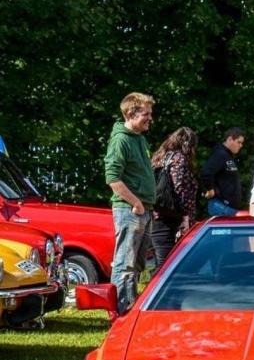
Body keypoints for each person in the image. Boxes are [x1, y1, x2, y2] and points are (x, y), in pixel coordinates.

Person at [104, 92, 157, 314]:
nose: (150, 118)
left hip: (143, 209)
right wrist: (135, 203)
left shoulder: (139, 139)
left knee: (137, 264)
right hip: (129, 209)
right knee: (125, 261)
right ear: (131, 113)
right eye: (146, 114)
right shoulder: (121, 140)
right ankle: (119, 312)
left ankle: (129, 307)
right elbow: (113, 178)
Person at [149, 127, 199, 267]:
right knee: (168, 266)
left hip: (157, 215)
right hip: (173, 220)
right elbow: (180, 189)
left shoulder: (159, 158)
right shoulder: (179, 160)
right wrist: (186, 216)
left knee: (162, 263)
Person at [200, 127, 245, 216]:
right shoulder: (220, 154)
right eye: (238, 142)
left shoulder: (227, 155)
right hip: (221, 206)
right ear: (229, 139)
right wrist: (210, 189)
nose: (241, 145)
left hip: (227, 207)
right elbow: (206, 172)